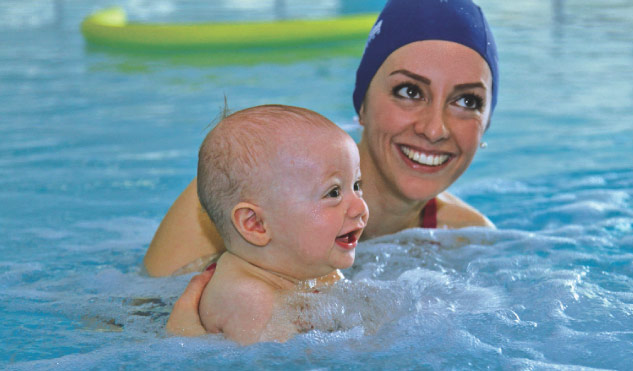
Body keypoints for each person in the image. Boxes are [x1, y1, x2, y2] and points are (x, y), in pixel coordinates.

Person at [160, 0, 499, 335]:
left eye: (467, 101)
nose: (434, 128)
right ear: (361, 105)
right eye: (409, 91)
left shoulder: (469, 238)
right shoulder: (248, 186)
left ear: (486, 124)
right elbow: (121, 325)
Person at [190, 104, 368, 344]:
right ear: (255, 224)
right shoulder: (252, 300)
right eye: (333, 192)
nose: (360, 207)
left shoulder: (309, 268)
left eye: (356, 186)